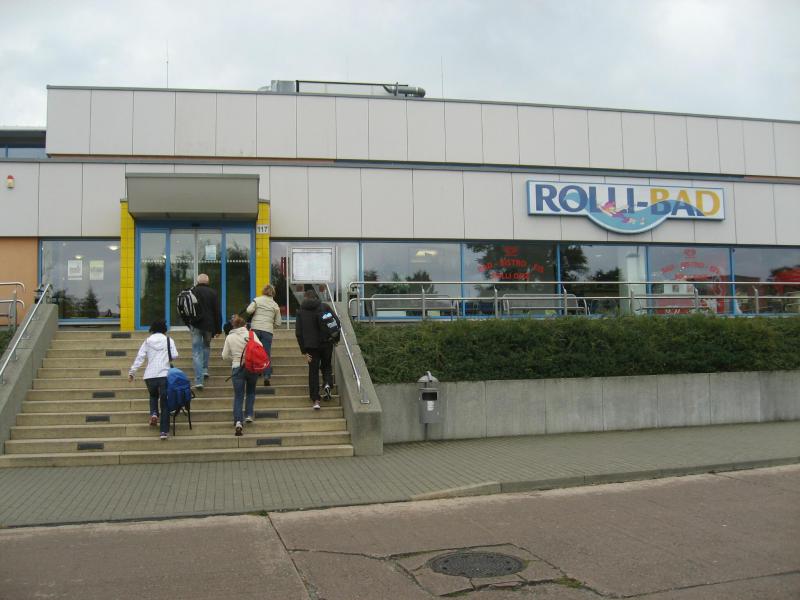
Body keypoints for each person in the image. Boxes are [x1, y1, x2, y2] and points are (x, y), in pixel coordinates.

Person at [127, 319, 178, 441]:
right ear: (164, 329)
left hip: (149, 376)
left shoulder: (147, 341)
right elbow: (175, 355)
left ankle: (154, 413)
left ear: (152, 329)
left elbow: (140, 357)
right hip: (164, 374)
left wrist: (132, 372)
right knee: (165, 404)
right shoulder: (168, 340)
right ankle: (163, 431)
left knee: (153, 395)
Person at [294, 289, 338, 410]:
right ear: (316, 297)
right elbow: (336, 322)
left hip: (311, 347)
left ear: (305, 297)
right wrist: (335, 339)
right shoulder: (324, 307)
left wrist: (304, 351)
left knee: (313, 372)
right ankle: (327, 383)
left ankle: (316, 400)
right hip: (326, 343)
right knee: (326, 366)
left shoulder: (301, 311)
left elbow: (298, 333)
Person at [221, 314, 263, 435]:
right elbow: (260, 347)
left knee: (238, 395)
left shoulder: (229, 337)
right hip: (252, 367)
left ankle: (238, 421)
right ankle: (249, 414)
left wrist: (234, 358)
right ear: (244, 324)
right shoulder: (251, 334)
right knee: (251, 392)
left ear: (233, 326)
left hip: (237, 368)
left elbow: (224, 356)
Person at [186, 273, 222, 391]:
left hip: (196, 325)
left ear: (197, 281)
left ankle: (198, 381)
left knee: (196, 352)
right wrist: (218, 328)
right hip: (209, 326)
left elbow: (186, 309)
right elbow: (217, 311)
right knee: (206, 346)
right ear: (207, 282)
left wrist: (188, 323)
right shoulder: (213, 293)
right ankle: (205, 369)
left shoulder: (191, 292)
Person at [245, 284, 282, 386]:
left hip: (255, 329)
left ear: (263, 291)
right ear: (273, 293)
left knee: (254, 351)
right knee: (266, 353)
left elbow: (248, 310)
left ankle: (254, 372)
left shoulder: (257, 300)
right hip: (267, 331)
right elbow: (278, 322)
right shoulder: (275, 305)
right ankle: (267, 375)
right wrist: (271, 325)